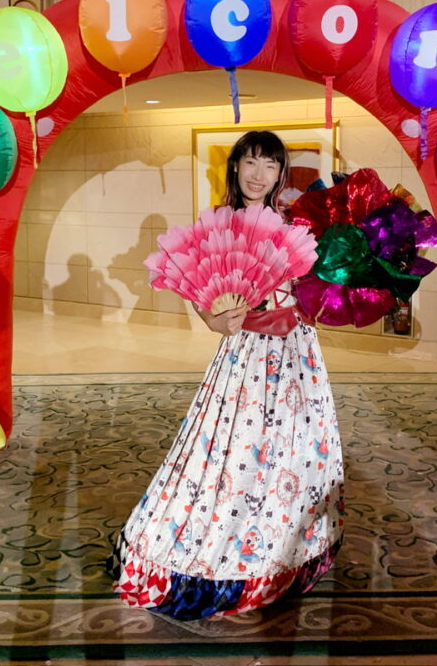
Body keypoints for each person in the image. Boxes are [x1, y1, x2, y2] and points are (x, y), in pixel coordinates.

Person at [110, 130, 344, 620]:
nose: (259, 175)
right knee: (236, 449)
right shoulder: (220, 224)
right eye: (251, 163)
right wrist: (216, 319)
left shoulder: (296, 221)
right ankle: (226, 554)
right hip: (248, 357)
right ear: (235, 167)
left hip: (298, 353)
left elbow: (312, 286)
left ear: (280, 174)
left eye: (270, 165)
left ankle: (290, 548)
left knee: (295, 449)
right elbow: (205, 301)